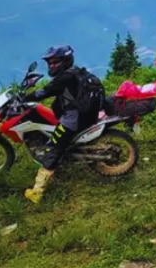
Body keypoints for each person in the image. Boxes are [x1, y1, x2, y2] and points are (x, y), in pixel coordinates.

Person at [23, 45, 103, 203]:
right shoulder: (74, 71)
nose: (52, 65)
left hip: (74, 118)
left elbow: (44, 92)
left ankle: (37, 192)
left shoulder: (65, 78)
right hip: (81, 114)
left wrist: (23, 99)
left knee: (52, 148)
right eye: (50, 63)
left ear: (65, 61)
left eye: (55, 62)